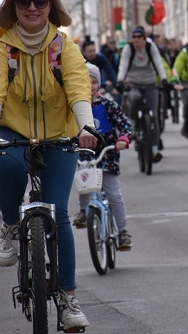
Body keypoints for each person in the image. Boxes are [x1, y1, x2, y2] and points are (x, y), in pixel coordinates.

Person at [0, 0, 96, 330]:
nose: (31, 7)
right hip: (14, 131)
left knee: (57, 214)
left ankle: (69, 300)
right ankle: (11, 226)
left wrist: (87, 128)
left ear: (50, 6)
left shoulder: (63, 47)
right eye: (23, 1)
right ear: (13, 6)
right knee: (9, 168)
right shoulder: (1, 48)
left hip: (59, 133)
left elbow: (77, 86)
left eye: (40, 1)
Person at [72, 64, 134, 250]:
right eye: (85, 82)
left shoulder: (108, 105)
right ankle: (84, 211)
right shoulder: (73, 107)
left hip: (108, 154)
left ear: (98, 85)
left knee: (114, 193)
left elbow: (125, 125)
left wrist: (123, 138)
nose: (89, 86)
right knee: (83, 185)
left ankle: (122, 232)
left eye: (93, 82)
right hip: (85, 154)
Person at [116, 26, 168, 163]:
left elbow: (159, 64)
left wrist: (163, 79)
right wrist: (120, 80)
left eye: (139, 37)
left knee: (155, 116)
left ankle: (155, 149)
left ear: (145, 39)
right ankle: (131, 126)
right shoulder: (129, 49)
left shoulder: (151, 48)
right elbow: (123, 65)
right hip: (133, 83)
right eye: (133, 37)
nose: (136, 39)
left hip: (150, 83)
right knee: (134, 98)